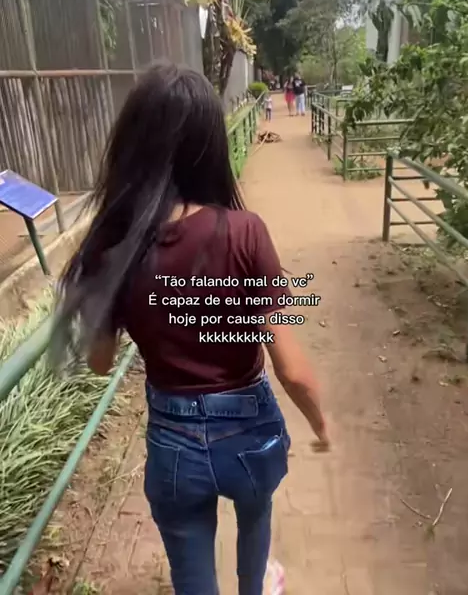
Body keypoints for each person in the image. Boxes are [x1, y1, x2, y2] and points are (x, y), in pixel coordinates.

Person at [52, 62, 329, 595]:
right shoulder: (245, 232)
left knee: (190, 571)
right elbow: (292, 370)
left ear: (132, 146)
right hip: (248, 427)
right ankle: (257, 585)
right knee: (256, 515)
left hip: (172, 440)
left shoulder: (113, 247)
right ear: (209, 145)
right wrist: (321, 423)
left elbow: (100, 363)